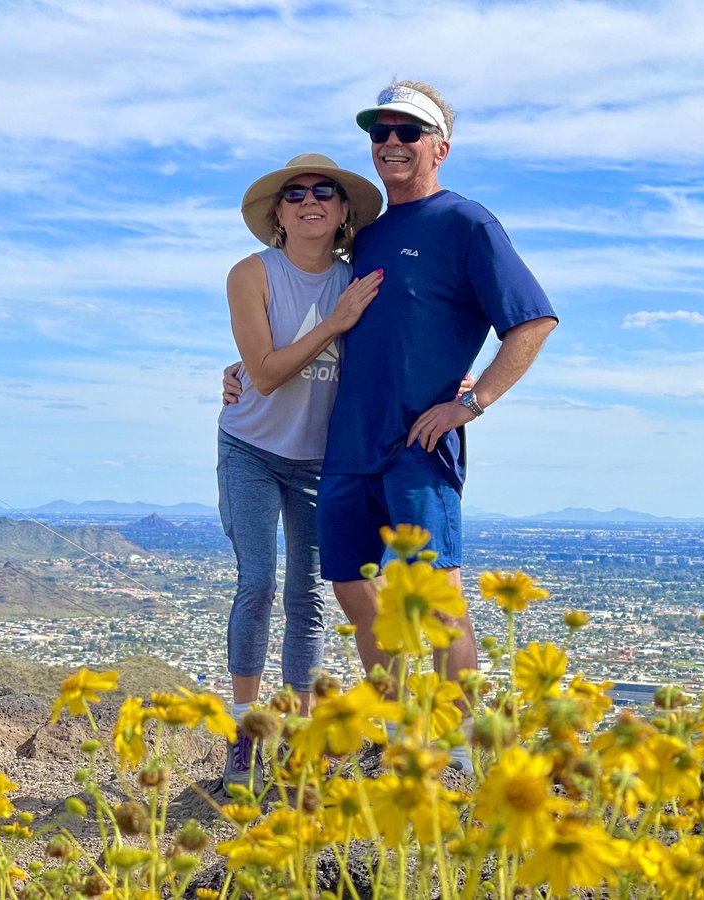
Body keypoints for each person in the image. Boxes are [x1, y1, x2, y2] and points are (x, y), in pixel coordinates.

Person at [225, 81, 558, 772]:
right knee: (355, 593)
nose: (393, 144)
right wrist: (243, 364)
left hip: (419, 444)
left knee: (436, 594)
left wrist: (475, 400)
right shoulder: (367, 238)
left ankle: (465, 750)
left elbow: (533, 321)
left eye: (408, 132)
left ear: (440, 146)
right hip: (344, 448)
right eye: (380, 134)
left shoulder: (468, 224)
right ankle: (400, 731)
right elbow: (329, 324)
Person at [216, 152, 383, 789]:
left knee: (307, 599)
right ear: (278, 213)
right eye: (295, 193)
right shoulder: (250, 273)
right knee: (258, 583)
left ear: (343, 212)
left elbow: (406, 342)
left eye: (325, 192)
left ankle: (296, 735)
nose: (310, 200)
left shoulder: (360, 279)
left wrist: (460, 378)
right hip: (252, 449)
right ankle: (244, 731)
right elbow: (260, 371)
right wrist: (337, 324)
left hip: (323, 461)